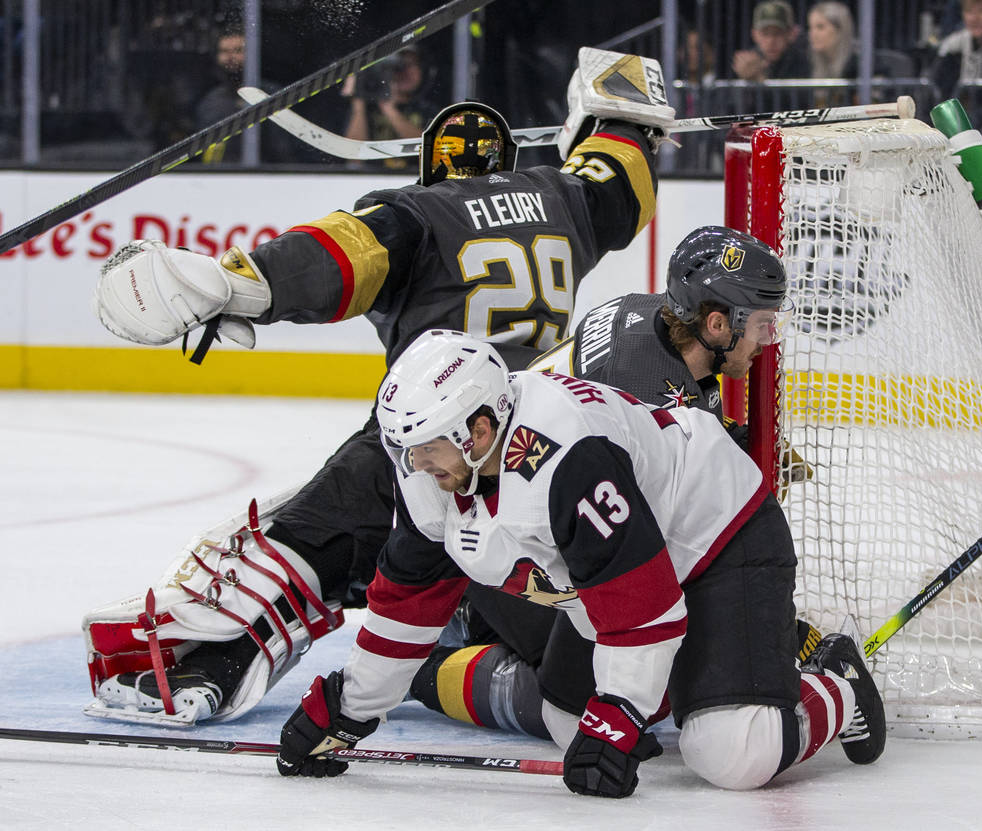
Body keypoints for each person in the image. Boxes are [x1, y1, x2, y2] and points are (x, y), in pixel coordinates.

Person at [84, 49, 673, 728]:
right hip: (540, 441)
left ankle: (208, 663)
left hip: (434, 435)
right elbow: (619, 178)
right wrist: (617, 109)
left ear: (432, 163)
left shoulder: (416, 211)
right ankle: (480, 630)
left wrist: (239, 283)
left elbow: (340, 256)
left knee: (316, 536)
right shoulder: (563, 197)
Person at [274, 328, 887, 797]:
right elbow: (408, 604)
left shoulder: (566, 456)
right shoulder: (435, 474)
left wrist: (619, 715)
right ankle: (696, 680)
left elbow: (641, 602)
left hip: (716, 539)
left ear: (480, 429)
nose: (415, 466)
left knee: (733, 755)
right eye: (404, 449)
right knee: (570, 725)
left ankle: (836, 683)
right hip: (627, 571)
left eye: (427, 447)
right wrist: (354, 708)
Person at [406, 226, 817, 739]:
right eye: (760, 324)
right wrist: (781, 635)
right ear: (716, 323)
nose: (764, 340)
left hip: (525, 518)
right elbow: (648, 565)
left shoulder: (649, 316)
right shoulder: (643, 382)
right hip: (515, 548)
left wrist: (732, 437)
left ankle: (467, 624)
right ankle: (432, 659)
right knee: (589, 699)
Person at [193, 28, 296, 165]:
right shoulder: (210, 100)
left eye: (238, 51)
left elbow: (283, 149)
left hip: (268, 176)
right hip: (220, 177)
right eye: (224, 52)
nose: (231, 57)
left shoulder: (271, 94)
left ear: (253, 55)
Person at [341, 45, 439, 171]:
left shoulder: (428, 110)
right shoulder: (366, 110)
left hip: (416, 180)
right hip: (371, 180)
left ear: (423, 70)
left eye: (411, 65)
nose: (404, 73)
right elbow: (354, 156)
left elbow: (430, 151)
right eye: (398, 67)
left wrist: (388, 107)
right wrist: (358, 98)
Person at [731, 1, 811, 83]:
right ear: (754, 34)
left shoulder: (803, 61)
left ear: (790, 34)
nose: (771, 41)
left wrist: (759, 80)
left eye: (777, 33)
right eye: (765, 34)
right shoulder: (748, 63)